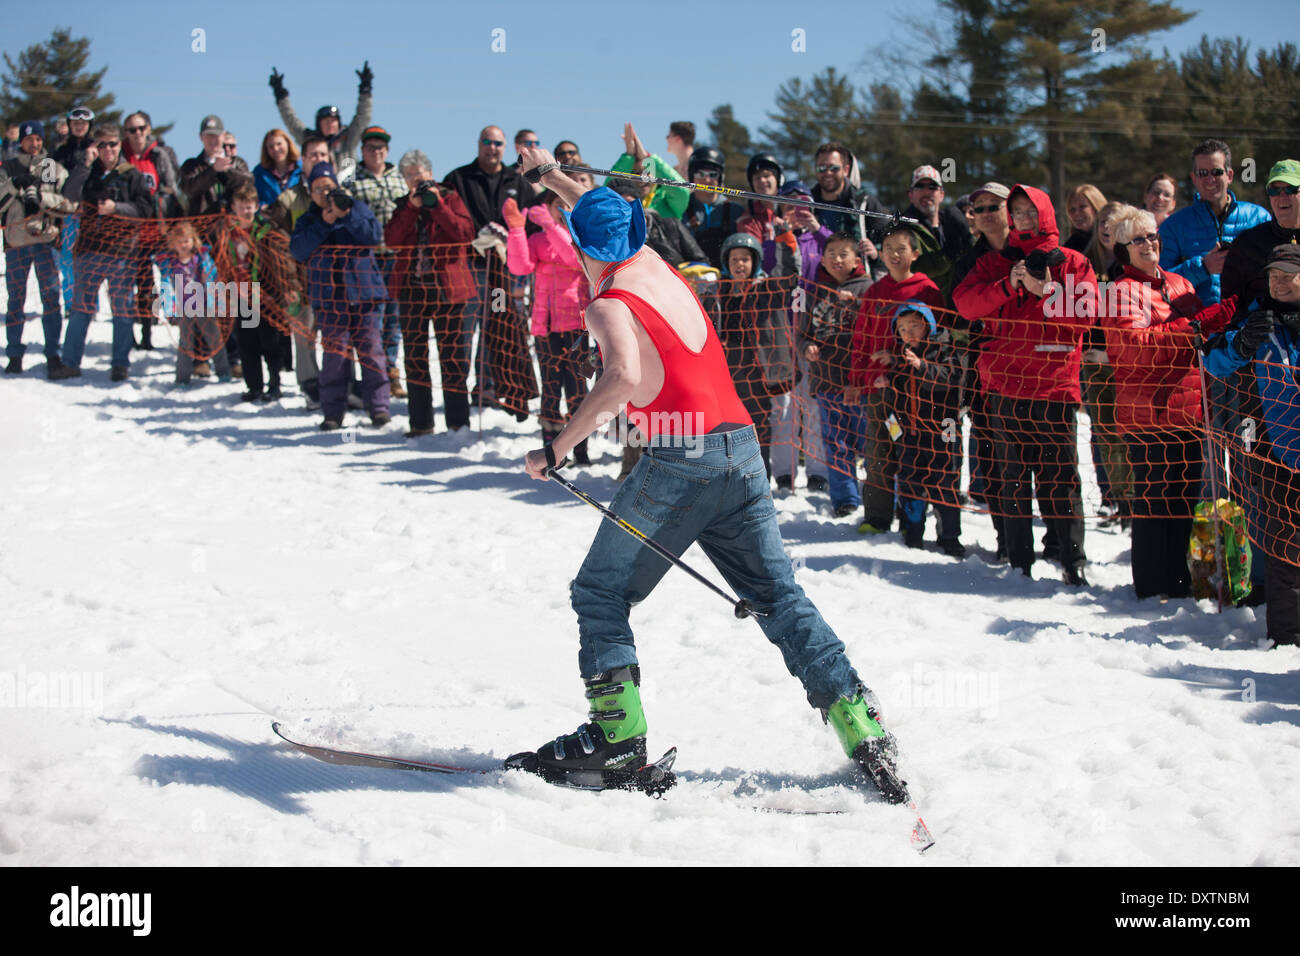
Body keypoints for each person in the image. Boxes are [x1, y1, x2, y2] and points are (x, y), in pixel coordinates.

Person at [513, 146, 909, 800]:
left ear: (583, 248)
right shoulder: (651, 262)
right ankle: (860, 723)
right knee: (779, 597)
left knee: (600, 592)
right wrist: (547, 175)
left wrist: (558, 447)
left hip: (680, 460)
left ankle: (617, 743)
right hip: (742, 452)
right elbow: (593, 204)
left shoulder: (608, 302)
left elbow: (620, 378)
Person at [952, 185, 1097, 584]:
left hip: (1054, 387)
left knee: (1061, 476)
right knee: (1012, 477)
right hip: (1005, 386)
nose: (1024, 219)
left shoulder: (1073, 262)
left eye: (1030, 212)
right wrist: (1006, 286)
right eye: (1017, 212)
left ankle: (1072, 559)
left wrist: (1045, 290)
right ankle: (1019, 560)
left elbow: (1087, 317)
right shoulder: (995, 263)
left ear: (1046, 214)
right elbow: (965, 305)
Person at [1101, 205, 1235, 599]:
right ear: (1123, 251)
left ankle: (1176, 582)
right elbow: (1132, 349)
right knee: (1153, 505)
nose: (1149, 244)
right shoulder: (1121, 292)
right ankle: (1149, 585)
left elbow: (1199, 333)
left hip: (1189, 409)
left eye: (1151, 235)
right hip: (1148, 415)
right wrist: (1192, 328)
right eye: (1137, 239)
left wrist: (1217, 319)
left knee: (1182, 503)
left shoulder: (1179, 283)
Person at [1203, 245, 1300, 646]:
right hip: (1275, 451)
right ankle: (1288, 637)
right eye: (1273, 273)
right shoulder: (1256, 319)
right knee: (1283, 545)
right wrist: (1240, 346)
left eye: (1287, 273)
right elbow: (1212, 361)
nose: (1277, 280)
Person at [848, 224, 945, 534]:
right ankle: (876, 517)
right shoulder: (875, 291)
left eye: (900, 249)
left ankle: (912, 518)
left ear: (914, 254)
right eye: (887, 248)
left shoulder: (927, 289)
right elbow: (861, 339)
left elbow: (939, 339)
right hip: (879, 393)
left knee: (912, 453)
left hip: (914, 392)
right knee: (879, 451)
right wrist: (857, 378)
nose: (893, 254)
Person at [290, 161, 391, 429]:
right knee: (335, 356)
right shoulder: (308, 220)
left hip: (365, 294)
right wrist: (325, 222)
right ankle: (333, 412)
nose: (324, 194)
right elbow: (299, 250)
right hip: (329, 299)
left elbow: (373, 235)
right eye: (318, 189)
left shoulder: (356, 207)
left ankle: (379, 408)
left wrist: (346, 214)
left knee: (371, 352)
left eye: (329, 188)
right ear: (310, 193)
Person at [53, 123, 156, 382]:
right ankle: (70, 362)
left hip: (122, 253)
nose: (108, 149)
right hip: (89, 251)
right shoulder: (87, 172)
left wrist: (117, 208)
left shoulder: (131, 174)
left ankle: (120, 363)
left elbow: (145, 209)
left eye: (112, 144)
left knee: (122, 311)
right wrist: (84, 166)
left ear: (120, 145)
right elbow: (69, 195)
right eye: (102, 145)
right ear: (94, 147)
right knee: (81, 309)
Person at [385, 149, 476, 435]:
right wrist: (412, 208)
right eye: (409, 176)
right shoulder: (403, 205)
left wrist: (437, 205)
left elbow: (465, 233)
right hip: (411, 290)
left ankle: (458, 423)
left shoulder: (449, 197)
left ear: (430, 174)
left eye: (419, 175)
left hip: (448, 290)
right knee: (414, 358)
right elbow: (391, 240)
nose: (415, 181)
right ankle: (421, 423)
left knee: (453, 357)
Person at [703, 231, 799, 480]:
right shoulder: (716, 293)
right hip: (725, 368)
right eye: (734, 259)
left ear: (755, 263)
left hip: (756, 366)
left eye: (745, 259)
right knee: (725, 424)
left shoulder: (766, 290)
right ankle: (729, 476)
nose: (739, 265)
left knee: (758, 422)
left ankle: (760, 475)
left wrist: (786, 244)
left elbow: (789, 277)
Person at [504, 190, 591, 460]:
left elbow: (571, 257)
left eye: (567, 204)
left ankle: (580, 449)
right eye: (557, 205)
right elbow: (520, 267)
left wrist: (552, 226)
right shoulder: (538, 238)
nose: (562, 209)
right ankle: (551, 447)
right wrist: (517, 231)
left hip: (577, 326)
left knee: (577, 385)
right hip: (545, 326)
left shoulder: (582, 237)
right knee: (550, 385)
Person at [798, 232, 874, 516]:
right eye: (832, 255)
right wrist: (806, 346)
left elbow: (879, 328)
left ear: (857, 259)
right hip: (827, 381)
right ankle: (845, 499)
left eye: (844, 254)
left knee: (869, 444)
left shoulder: (867, 287)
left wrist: (855, 305)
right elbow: (803, 333)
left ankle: (878, 497)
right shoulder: (816, 291)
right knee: (836, 443)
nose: (838, 260)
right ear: (823, 260)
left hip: (861, 381)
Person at [882, 303, 965, 556]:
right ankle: (913, 532)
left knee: (944, 485)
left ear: (928, 325)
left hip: (943, 432)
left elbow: (950, 379)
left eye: (915, 326)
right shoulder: (904, 355)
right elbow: (898, 394)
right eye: (903, 328)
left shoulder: (944, 350)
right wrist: (888, 378)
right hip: (911, 433)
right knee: (910, 484)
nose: (908, 333)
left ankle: (949, 536)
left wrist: (922, 366)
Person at [1, 120, 79, 376]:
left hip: (45, 241)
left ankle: (52, 355)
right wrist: (14, 185)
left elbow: (70, 203)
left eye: (37, 139)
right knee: (15, 300)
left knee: (51, 299)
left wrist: (42, 198)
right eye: (28, 139)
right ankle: (14, 354)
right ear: (20, 141)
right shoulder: (8, 166)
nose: (33, 144)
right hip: (16, 243)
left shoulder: (51, 167)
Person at [1159, 138, 1271, 306]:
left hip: (1249, 324)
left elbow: (1275, 272)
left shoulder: (1258, 217)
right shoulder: (1173, 226)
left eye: (1217, 172)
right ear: (1194, 178)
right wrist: (1202, 268)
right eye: (1203, 173)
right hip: (1196, 326)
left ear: (1230, 175)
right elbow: (1158, 282)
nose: (1210, 179)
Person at [222, 183, 301, 400]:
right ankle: (254, 385)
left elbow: (282, 262)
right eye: (241, 206)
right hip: (243, 294)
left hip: (266, 293)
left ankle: (274, 383)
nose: (246, 211)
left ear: (256, 206)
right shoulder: (229, 233)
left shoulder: (267, 230)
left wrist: (287, 287)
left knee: (270, 341)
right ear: (234, 208)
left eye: (250, 206)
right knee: (247, 341)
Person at [348, 125, 409, 398]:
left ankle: (391, 370)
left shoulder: (399, 178)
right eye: (372, 147)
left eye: (382, 146)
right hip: (367, 260)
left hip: (396, 259)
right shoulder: (352, 181)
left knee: (393, 319)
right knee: (372, 318)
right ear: (363, 150)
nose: (377, 151)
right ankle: (374, 374)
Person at [121, 111, 179, 351]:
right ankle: (127, 334)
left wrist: (159, 203)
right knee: (126, 285)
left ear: (148, 129)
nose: (137, 134)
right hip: (127, 231)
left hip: (156, 229)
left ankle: (148, 333)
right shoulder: (120, 155)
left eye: (141, 128)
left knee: (152, 285)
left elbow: (170, 185)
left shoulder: (158, 155)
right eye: (132, 129)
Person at [155, 220, 232, 385]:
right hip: (184, 309)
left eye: (187, 241)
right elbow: (166, 287)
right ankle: (182, 378)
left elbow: (213, 277)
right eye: (180, 242)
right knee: (185, 345)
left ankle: (224, 371)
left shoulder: (201, 259)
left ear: (193, 241)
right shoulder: (171, 264)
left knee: (215, 340)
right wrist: (170, 309)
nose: (183, 245)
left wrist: (217, 300)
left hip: (205, 306)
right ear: (173, 244)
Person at [269, 62, 373, 180]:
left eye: (333, 120)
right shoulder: (310, 141)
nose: (330, 124)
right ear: (319, 124)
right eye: (326, 121)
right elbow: (291, 120)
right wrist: (280, 95)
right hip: (318, 188)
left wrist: (365, 90)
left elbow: (363, 117)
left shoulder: (348, 139)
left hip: (348, 188)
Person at [1222, 159, 1300, 307]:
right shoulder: (1248, 242)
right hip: (1261, 327)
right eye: (1274, 190)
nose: (1281, 197)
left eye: (1290, 190)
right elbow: (1229, 304)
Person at [900, 164, 973, 298]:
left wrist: (969, 241)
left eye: (932, 187)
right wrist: (949, 254)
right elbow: (910, 269)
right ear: (910, 195)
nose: (927, 192)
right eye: (920, 186)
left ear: (942, 194)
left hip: (958, 308)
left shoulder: (953, 223)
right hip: (920, 308)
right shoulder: (902, 229)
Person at [608, 122, 688, 220]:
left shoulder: (666, 200)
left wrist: (648, 157)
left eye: (646, 172)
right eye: (635, 174)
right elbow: (607, 190)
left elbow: (682, 191)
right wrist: (628, 156)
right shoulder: (623, 202)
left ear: (655, 173)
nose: (642, 179)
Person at [680, 146, 744, 269]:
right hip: (691, 276)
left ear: (720, 177)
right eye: (701, 174)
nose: (707, 180)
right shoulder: (682, 208)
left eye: (713, 174)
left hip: (727, 279)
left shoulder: (734, 211)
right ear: (692, 175)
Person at [253, 128, 301, 207]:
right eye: (271, 147)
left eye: (279, 144)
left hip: (299, 216)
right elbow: (252, 200)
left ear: (288, 143)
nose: (276, 149)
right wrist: (262, 208)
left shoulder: (302, 168)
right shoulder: (259, 174)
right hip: (272, 218)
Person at [1064, 184, 1106, 252]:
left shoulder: (1110, 241)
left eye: (1082, 207)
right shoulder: (1071, 246)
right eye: (1072, 209)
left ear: (1096, 207)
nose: (1076, 213)